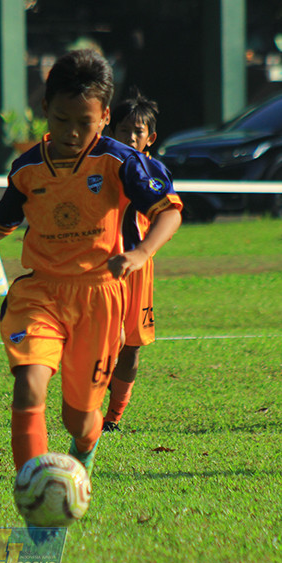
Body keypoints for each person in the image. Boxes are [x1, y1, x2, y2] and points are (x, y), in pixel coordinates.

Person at [0, 49, 183, 489]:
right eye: (62, 120)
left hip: (100, 297)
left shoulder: (120, 162)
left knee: (80, 419)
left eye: (84, 123)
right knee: (29, 384)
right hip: (40, 293)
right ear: (45, 109)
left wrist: (141, 253)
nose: (71, 132)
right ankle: (36, 498)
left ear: (105, 117)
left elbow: (170, 212)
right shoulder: (28, 168)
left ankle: (84, 449)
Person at [102, 88, 166, 432]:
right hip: (99, 267)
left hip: (137, 270)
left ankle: (113, 417)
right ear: (110, 132)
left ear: (150, 137)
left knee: (131, 346)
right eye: (123, 130)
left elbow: (166, 217)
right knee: (98, 341)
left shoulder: (153, 172)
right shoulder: (98, 167)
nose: (129, 137)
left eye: (137, 131)